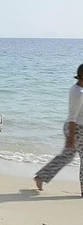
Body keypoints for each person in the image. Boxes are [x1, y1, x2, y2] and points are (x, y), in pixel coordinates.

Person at [34, 63, 83, 196]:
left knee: (66, 157)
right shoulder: (78, 92)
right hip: (77, 129)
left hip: (77, 128)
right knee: (69, 157)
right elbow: (73, 116)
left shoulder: (80, 90)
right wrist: (71, 137)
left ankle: (41, 176)